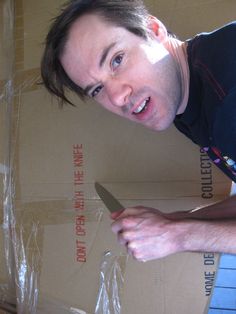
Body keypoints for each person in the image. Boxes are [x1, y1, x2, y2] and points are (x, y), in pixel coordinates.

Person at [41, 0, 236, 262]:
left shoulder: (228, 97)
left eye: (116, 60)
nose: (118, 97)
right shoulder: (184, 97)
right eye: (97, 89)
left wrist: (178, 235)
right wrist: (174, 221)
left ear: (154, 29)